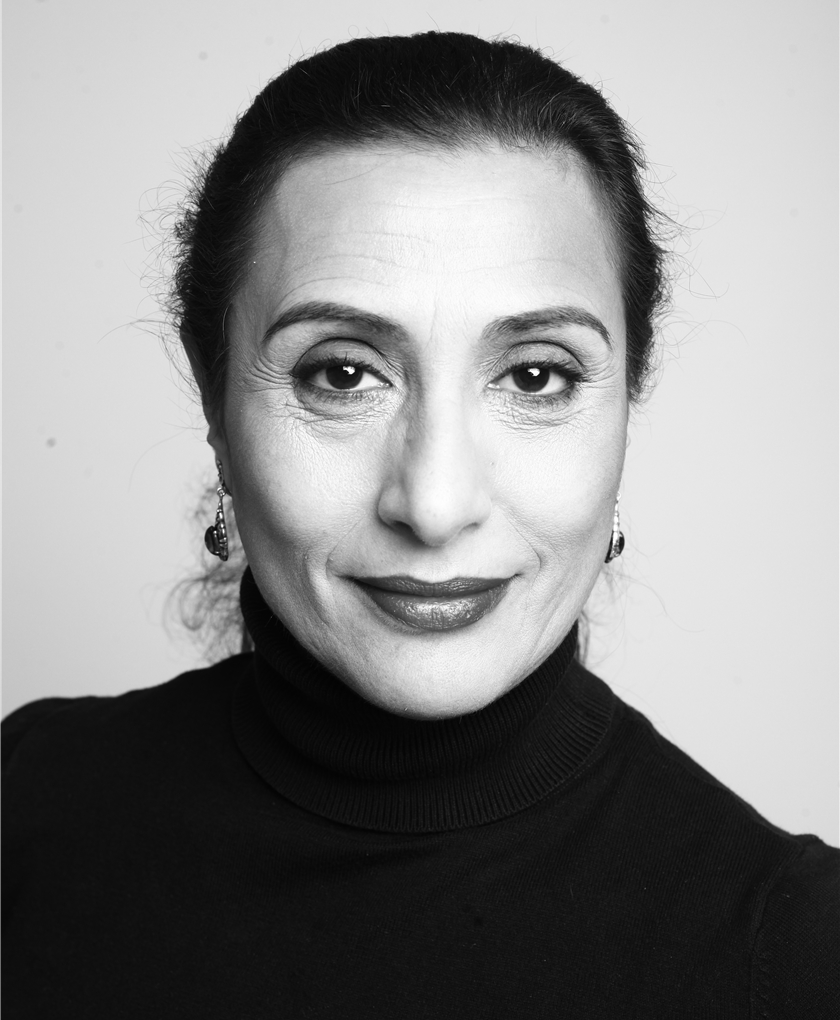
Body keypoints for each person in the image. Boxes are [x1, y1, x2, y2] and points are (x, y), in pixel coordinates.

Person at [3, 31, 836, 1018]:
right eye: (341, 373)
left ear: (626, 405)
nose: (434, 506)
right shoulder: (25, 806)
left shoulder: (795, 954)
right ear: (215, 406)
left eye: (536, 376)